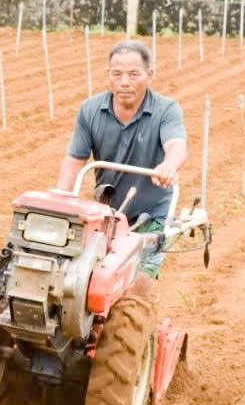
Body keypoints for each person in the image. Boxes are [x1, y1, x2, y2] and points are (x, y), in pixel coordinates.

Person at [56, 39, 187, 296]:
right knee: (87, 280)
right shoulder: (90, 110)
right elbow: (75, 159)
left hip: (151, 215)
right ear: (108, 75)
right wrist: (62, 198)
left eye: (133, 74)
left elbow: (177, 145)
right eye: (117, 74)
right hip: (107, 212)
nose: (124, 81)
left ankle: (132, 327)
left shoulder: (166, 110)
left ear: (149, 75)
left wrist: (169, 166)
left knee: (134, 286)